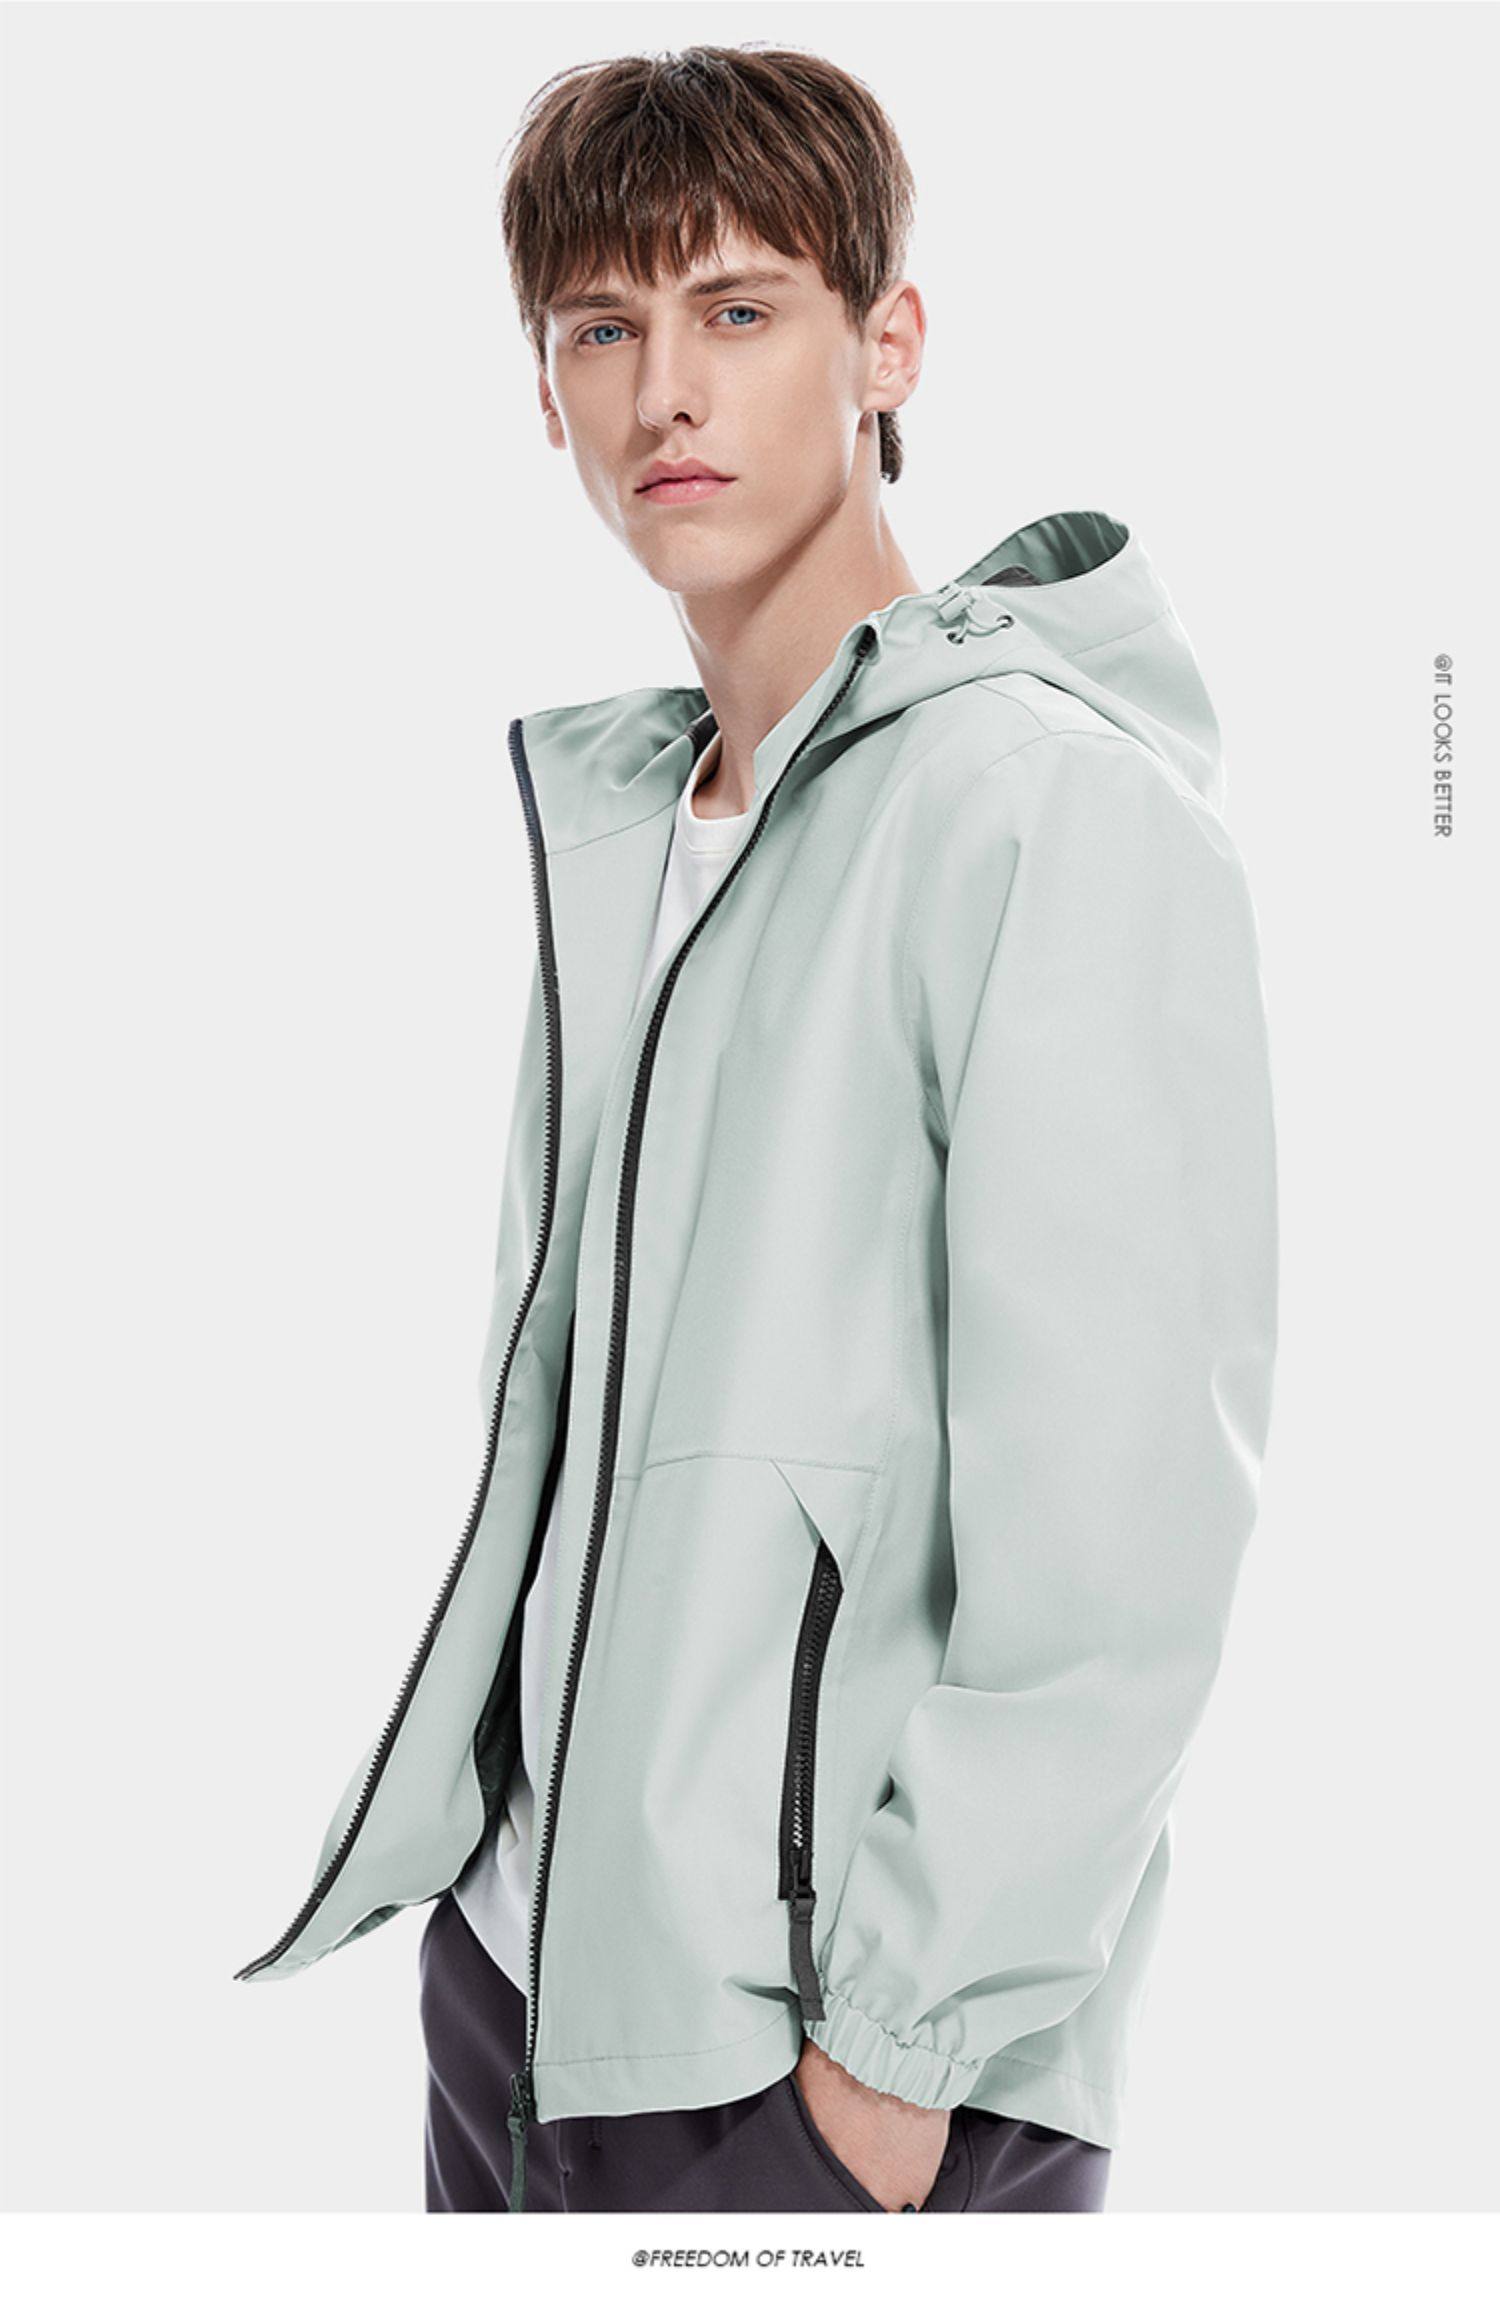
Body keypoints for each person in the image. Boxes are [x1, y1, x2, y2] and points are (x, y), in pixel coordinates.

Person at [234, 44, 1279, 2219]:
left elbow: (1126, 1530)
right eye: (601, 330)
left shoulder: (1034, 809)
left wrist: (894, 2055)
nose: (666, 394)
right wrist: (484, 1918)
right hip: (525, 1992)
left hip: (825, 2059)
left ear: (887, 344)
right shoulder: (639, 824)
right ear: (545, 395)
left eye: (738, 309)